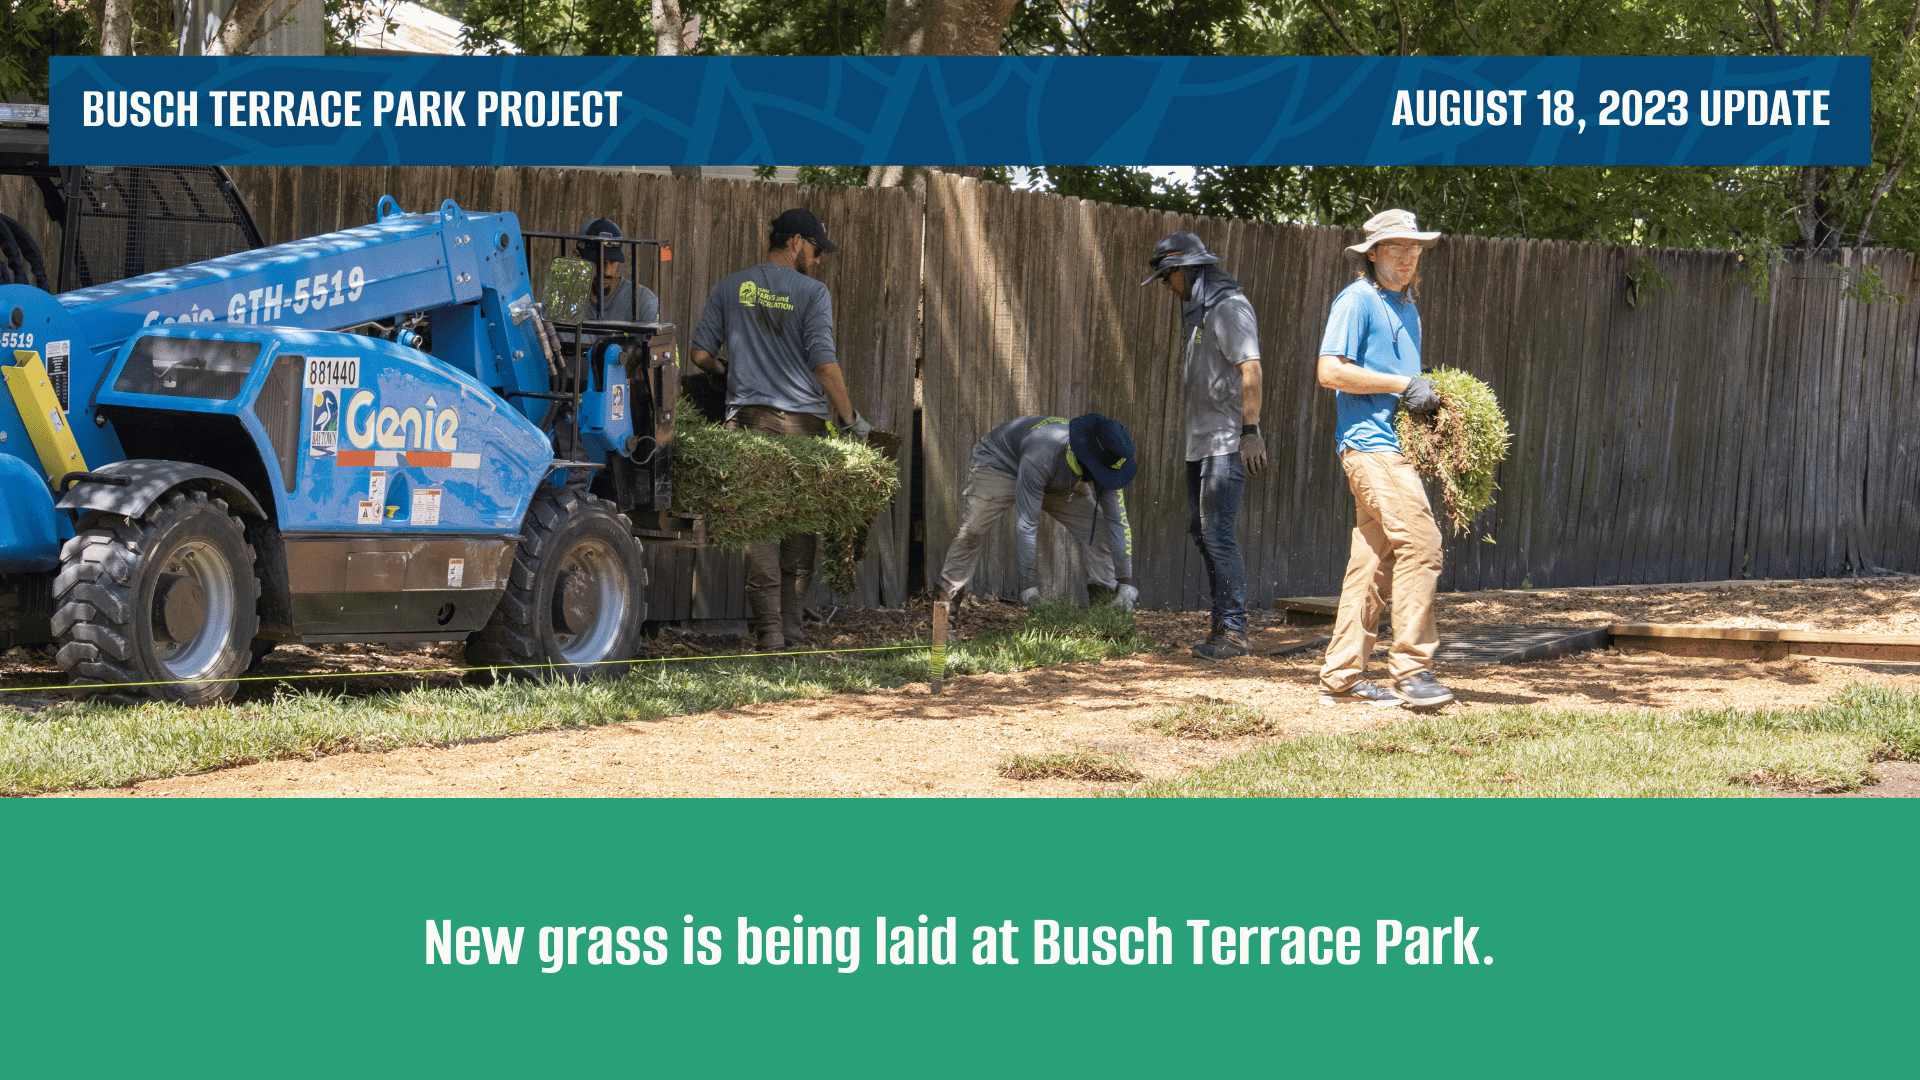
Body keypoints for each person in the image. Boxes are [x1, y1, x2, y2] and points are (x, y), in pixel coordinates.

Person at [689, 208, 870, 650]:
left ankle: (768, 632)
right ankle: (792, 628)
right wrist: (849, 420)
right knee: (800, 525)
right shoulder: (812, 292)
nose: (818, 260)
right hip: (804, 427)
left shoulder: (731, 287)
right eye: (815, 249)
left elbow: (697, 355)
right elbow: (823, 362)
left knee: (759, 528)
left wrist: (723, 370)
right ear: (795, 242)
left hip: (749, 425)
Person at [1314, 208, 1453, 709]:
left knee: (1372, 565)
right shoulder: (1357, 300)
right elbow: (1329, 371)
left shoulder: (1407, 308)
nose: (1409, 256)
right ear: (1372, 253)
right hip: (1369, 449)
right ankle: (1412, 671)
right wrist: (1401, 384)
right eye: (1397, 248)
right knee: (1422, 543)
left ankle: (1341, 678)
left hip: (1394, 449)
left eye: (1415, 248)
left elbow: (1400, 381)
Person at [1141, 231, 1265, 661]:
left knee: (1218, 533)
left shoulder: (1230, 308)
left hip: (1227, 441)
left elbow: (1251, 369)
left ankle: (1234, 631)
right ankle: (1221, 626)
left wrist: (1251, 431)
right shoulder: (1198, 311)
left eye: (1166, 278)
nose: (1164, 287)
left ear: (1185, 270)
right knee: (1201, 530)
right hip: (1201, 442)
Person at [934, 414, 1139, 615]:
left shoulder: (1108, 458)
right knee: (972, 531)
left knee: (1098, 529)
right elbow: (1027, 524)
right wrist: (1029, 588)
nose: (1106, 478)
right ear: (1088, 459)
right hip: (1000, 465)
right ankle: (945, 610)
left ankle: (1104, 609)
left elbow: (1117, 522)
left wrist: (1126, 583)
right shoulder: (1043, 455)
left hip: (1056, 478)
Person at [576, 217, 659, 324]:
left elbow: (663, 339)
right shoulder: (560, 299)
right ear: (578, 256)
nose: (607, 272)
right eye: (597, 261)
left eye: (612, 261)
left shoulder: (644, 302)